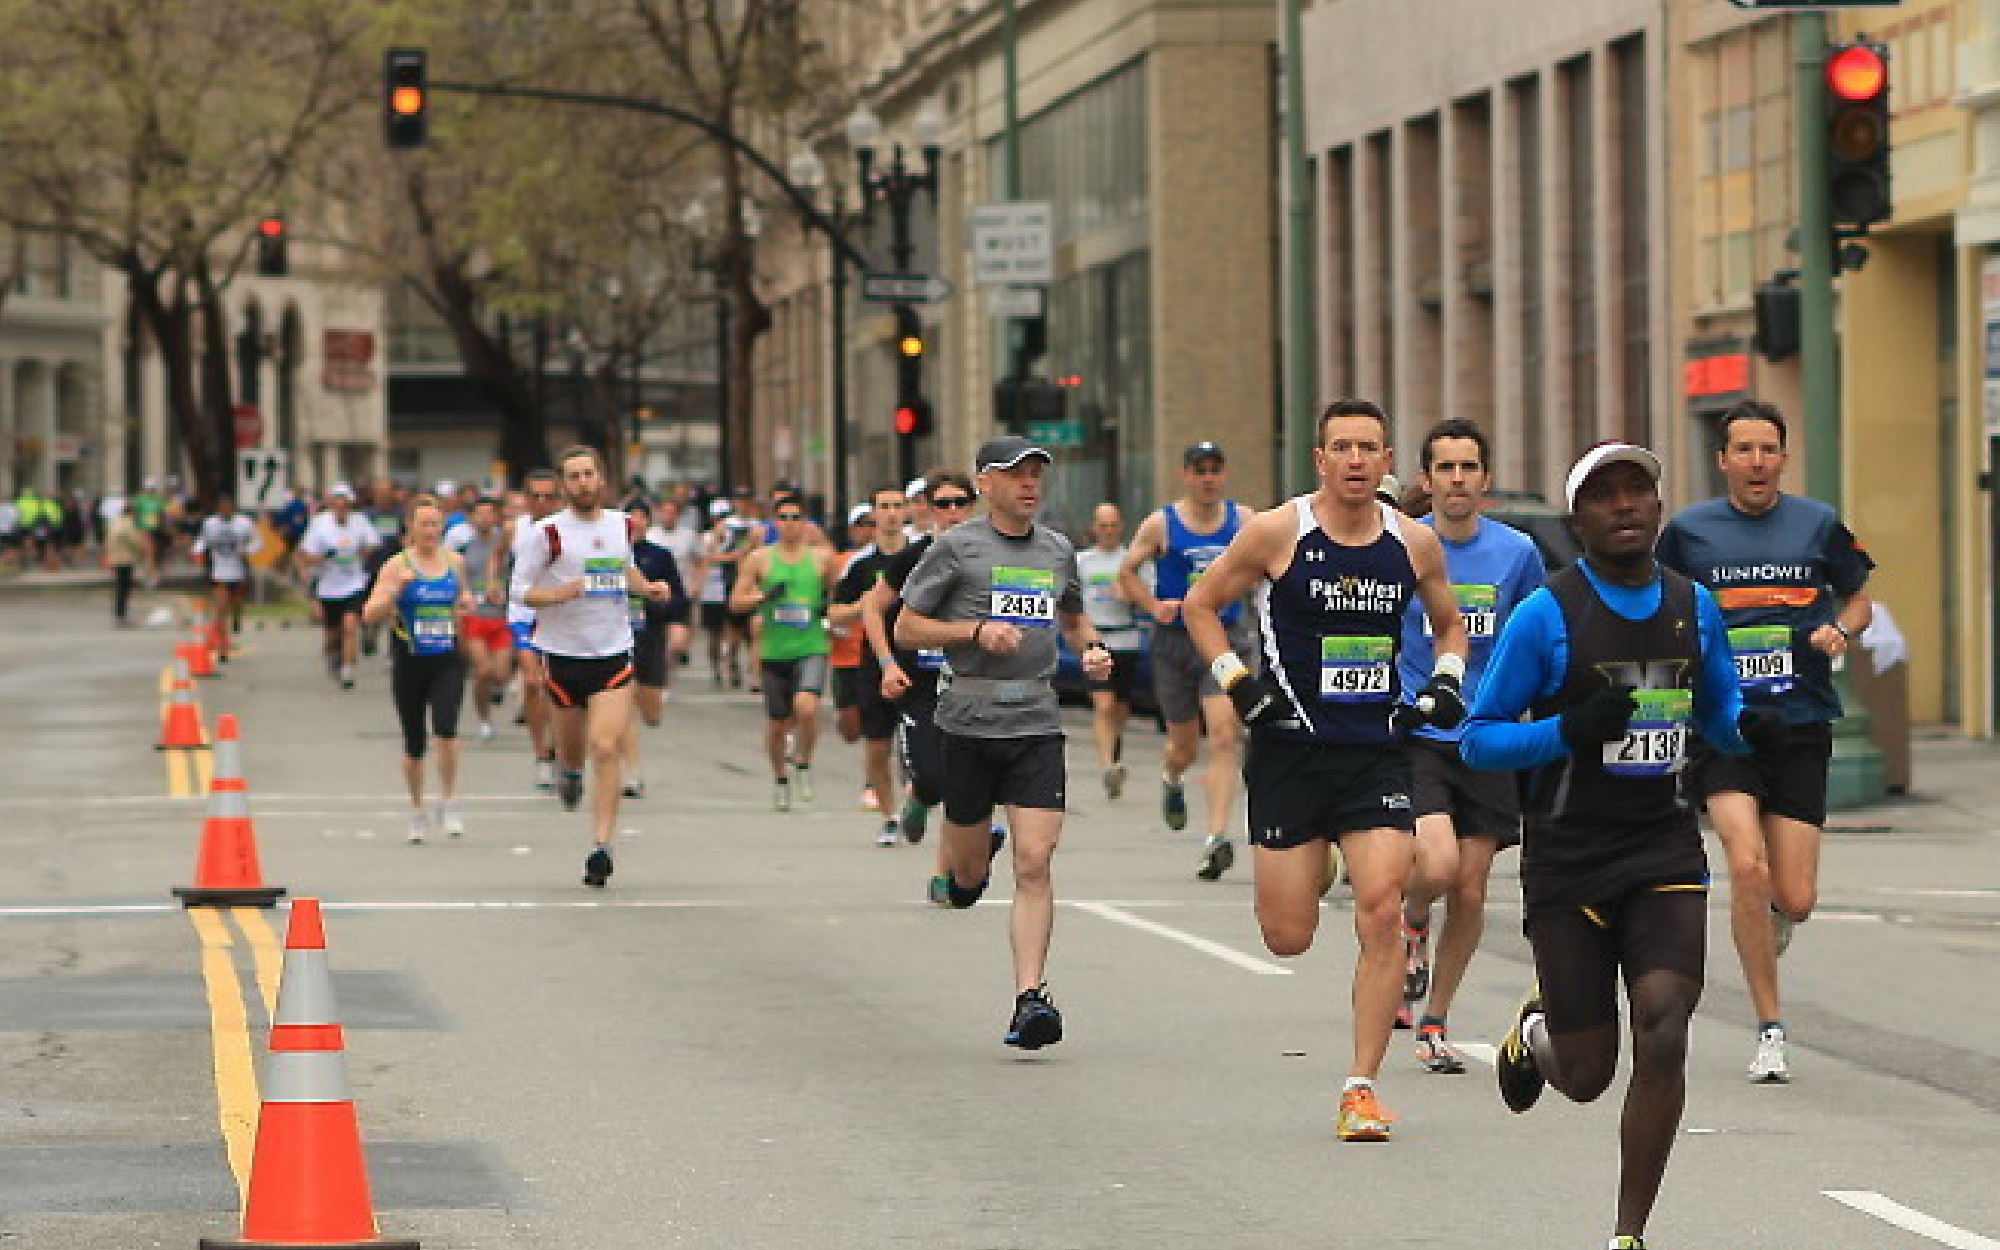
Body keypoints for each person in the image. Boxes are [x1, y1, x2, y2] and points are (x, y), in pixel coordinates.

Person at [1461, 442, 1785, 1250]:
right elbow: (1478, 739)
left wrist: (1748, 729)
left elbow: (1717, 714)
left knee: (1665, 1027)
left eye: (1637, 489)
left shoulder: (1692, 606)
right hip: (1568, 857)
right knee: (1585, 1075)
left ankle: (1628, 1233)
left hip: (1662, 849)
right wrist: (1566, 730)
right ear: (1579, 519)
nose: (1625, 505)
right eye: (1604, 495)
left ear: (1658, 505)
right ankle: (1536, 1034)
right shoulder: (1548, 614)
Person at [1182, 399, 1469, 1143]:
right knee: (1288, 935)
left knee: (1382, 909)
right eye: (1341, 447)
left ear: (1386, 461)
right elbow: (1200, 606)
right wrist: (1238, 684)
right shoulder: (1279, 531)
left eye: (1368, 448)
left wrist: (1445, 680)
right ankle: (1323, 857)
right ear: (1320, 460)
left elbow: (1450, 625)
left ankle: (1360, 1088)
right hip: (1292, 753)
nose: (1355, 460)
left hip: (1376, 752)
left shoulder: (1413, 542)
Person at [1656, 400, 1874, 1084]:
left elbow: (1859, 598)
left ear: (1783, 457)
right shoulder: (1688, 533)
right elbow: (1657, 605)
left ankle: (1776, 912)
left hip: (1801, 723)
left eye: (1768, 450)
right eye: (1743, 450)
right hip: (1723, 728)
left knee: (1796, 896)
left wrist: (1841, 629)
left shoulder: (1818, 524)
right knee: (1745, 865)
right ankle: (1770, 1028)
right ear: (1722, 460)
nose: (1756, 462)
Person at [896, 437, 1113, 1049]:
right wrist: (974, 631)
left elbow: (1072, 616)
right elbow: (906, 628)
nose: (1028, 484)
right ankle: (971, 865)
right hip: (967, 722)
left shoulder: (1057, 550)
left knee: (1035, 861)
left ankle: (1030, 998)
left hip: (1036, 722)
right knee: (964, 883)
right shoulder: (955, 547)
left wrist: (1092, 648)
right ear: (985, 484)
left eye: (1036, 474)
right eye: (1015, 474)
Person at [1392, 419, 1547, 1066]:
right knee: (1438, 865)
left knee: (1473, 890)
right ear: (1426, 480)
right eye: (1445, 468)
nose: (1457, 479)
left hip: (1489, 733)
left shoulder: (1517, 553)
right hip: (1420, 727)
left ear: (1485, 479)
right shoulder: (1403, 544)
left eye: (1468, 468)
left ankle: (1434, 1022)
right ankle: (1412, 919)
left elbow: (1539, 635)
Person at [509, 446, 672, 887]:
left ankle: (602, 846)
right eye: (574, 476)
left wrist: (648, 588)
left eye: (589, 474)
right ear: (564, 485)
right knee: (572, 752)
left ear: (602, 479)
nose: (582, 483)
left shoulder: (621, 525)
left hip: (612, 653)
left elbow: (624, 570)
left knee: (604, 745)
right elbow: (520, 590)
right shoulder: (546, 534)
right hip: (562, 656)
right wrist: (557, 595)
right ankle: (569, 774)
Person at [1120, 441, 1258, 880]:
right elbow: (1126, 572)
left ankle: (1216, 837)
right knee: (1184, 745)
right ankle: (1173, 777)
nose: (1208, 478)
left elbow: (1269, 562)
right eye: (1200, 470)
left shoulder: (1243, 521)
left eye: (1215, 470)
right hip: (1175, 643)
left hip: (1223, 639)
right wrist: (1152, 604)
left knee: (1224, 735)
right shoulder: (1162, 524)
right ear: (1186, 475)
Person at [861, 472, 979, 898]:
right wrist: (888, 664)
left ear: (972, 506)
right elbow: (873, 609)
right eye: (943, 504)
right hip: (920, 685)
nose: (952, 512)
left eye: (960, 503)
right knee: (931, 775)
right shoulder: (913, 557)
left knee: (960, 783)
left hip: (968, 683)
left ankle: (943, 876)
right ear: (929, 509)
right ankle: (918, 796)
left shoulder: (986, 557)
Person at [362, 495, 475, 844]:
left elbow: (463, 598)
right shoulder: (397, 566)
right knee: (415, 743)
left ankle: (449, 802)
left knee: (447, 731)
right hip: (409, 661)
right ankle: (416, 808)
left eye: (435, 524)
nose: (430, 531)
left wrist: (465, 603)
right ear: (410, 528)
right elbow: (370, 613)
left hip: (447, 659)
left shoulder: (454, 562)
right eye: (423, 524)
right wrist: (396, 592)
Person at [731, 495, 839, 810]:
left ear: (805, 523)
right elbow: (736, 601)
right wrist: (762, 597)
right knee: (778, 723)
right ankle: (780, 778)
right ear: (774, 523)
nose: (789, 525)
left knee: (806, 707)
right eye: (783, 518)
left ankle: (804, 759)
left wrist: (829, 611)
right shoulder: (760, 560)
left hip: (811, 646)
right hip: (774, 650)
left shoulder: (821, 559)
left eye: (795, 518)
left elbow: (837, 594)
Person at [622, 498, 688, 798]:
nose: (635, 523)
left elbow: (678, 597)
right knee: (623, 706)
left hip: (650, 635)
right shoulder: (609, 555)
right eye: (630, 517)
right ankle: (632, 773)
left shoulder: (660, 556)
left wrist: (662, 602)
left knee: (650, 712)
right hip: (616, 639)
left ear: (649, 522)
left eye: (641, 517)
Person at [1078, 502, 1144, 799]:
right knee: (1103, 704)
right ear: (1094, 528)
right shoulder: (1082, 561)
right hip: (1096, 641)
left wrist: (1131, 594)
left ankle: (1114, 754)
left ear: (1121, 527)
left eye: (1113, 525)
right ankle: (1107, 766)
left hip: (1127, 640)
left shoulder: (1132, 561)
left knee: (1120, 708)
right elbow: (1071, 601)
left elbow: (1149, 597)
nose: (1108, 531)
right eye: (1103, 526)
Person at [508, 472, 564, 789]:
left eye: (549, 497)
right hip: (524, 613)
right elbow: (499, 556)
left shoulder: (568, 528)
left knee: (557, 686)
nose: (542, 502)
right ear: (526, 499)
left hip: (558, 613)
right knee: (532, 683)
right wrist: (493, 582)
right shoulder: (515, 528)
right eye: (536, 496)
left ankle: (559, 750)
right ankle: (541, 755)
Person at [295, 485, 381, 688]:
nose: (341, 509)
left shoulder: (360, 521)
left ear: (350, 506)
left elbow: (373, 544)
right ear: (331, 505)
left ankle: (347, 670)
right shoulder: (319, 523)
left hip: (354, 584)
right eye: (337, 505)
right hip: (328, 586)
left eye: (345, 505)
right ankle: (334, 658)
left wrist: (363, 551)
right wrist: (324, 557)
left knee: (350, 626)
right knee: (333, 636)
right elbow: (306, 556)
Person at [448, 496, 514, 741]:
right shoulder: (464, 549)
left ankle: (496, 688)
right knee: (483, 670)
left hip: (501, 617)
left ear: (496, 516)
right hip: (475, 616)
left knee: (501, 673)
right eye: (480, 513)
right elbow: (457, 582)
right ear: (472, 518)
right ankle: (484, 720)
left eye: (489, 513)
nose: (485, 518)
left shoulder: (505, 546)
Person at [193, 494, 262, 661]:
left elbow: (257, 543)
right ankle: (223, 649)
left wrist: (246, 551)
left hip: (239, 571)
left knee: (236, 602)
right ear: (218, 509)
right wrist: (197, 551)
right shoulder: (210, 523)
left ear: (233, 508)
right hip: (219, 571)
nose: (225, 511)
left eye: (228, 507)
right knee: (220, 609)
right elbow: (202, 541)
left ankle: (237, 617)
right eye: (222, 508)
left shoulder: (244, 523)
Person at [107, 508, 150, 627]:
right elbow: (135, 541)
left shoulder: (114, 523)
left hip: (115, 558)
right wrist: (142, 550)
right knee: (124, 588)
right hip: (126, 558)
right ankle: (122, 617)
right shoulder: (129, 524)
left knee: (120, 586)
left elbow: (108, 541)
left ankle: (119, 615)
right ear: (131, 513)